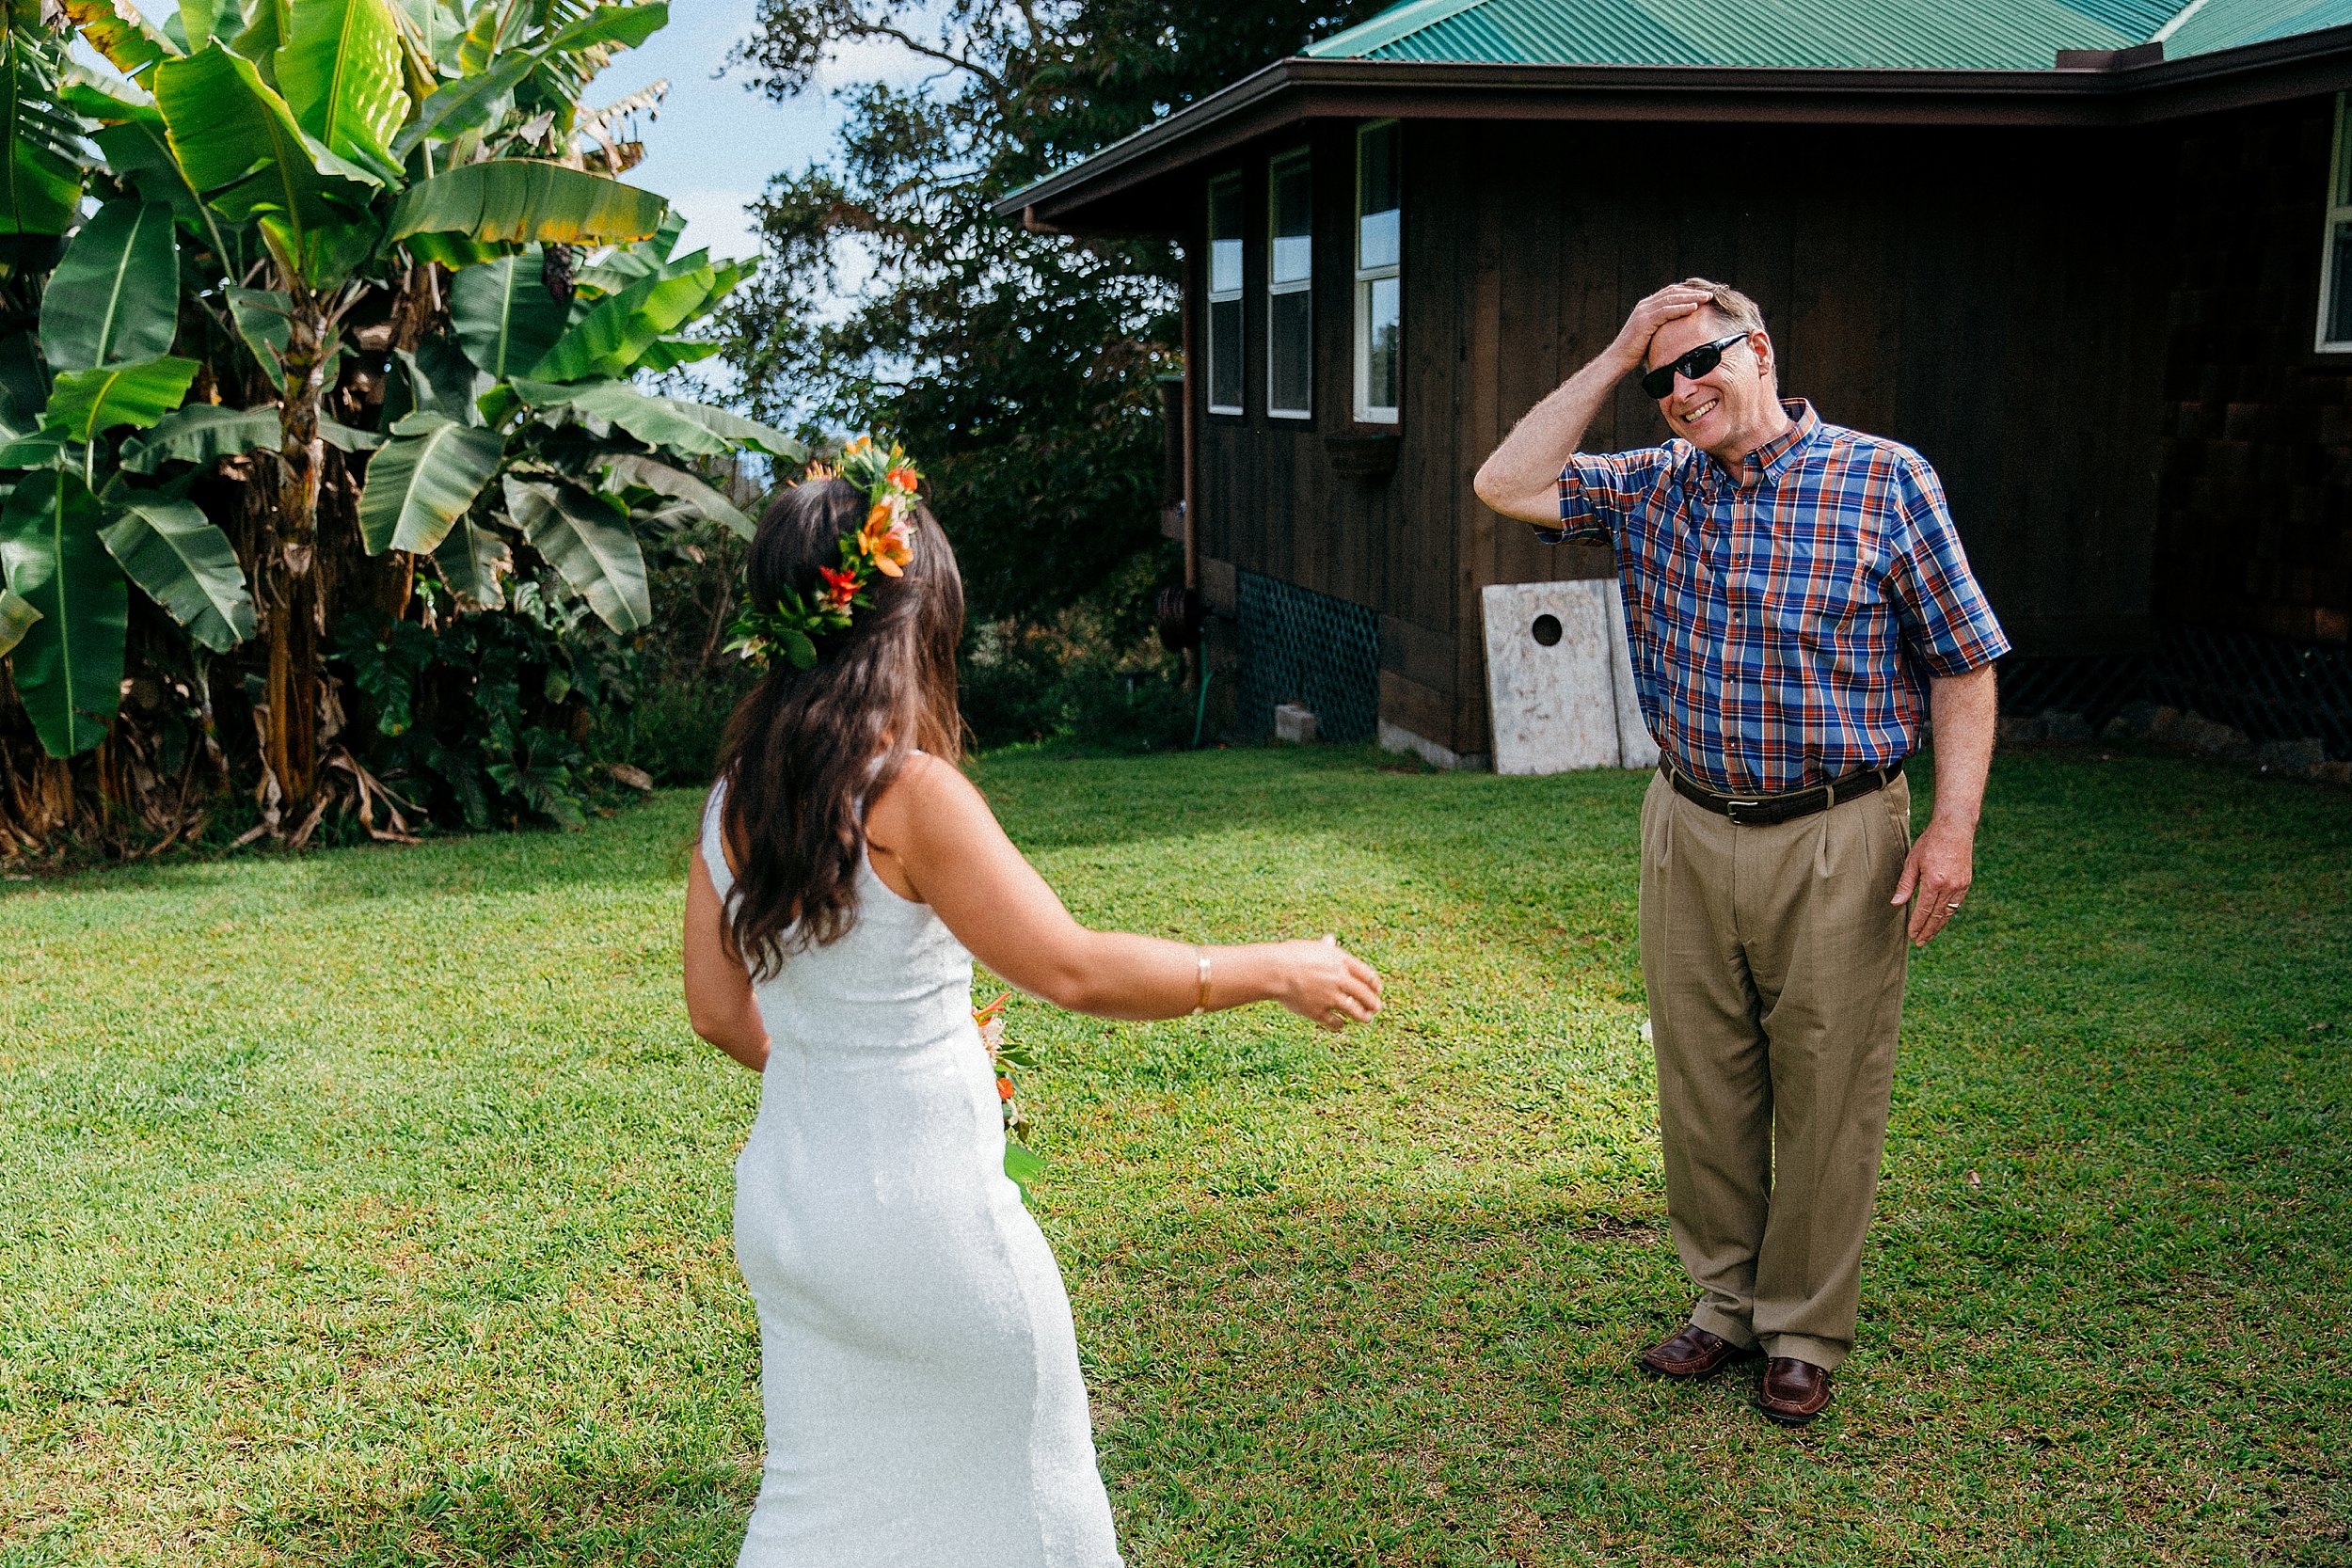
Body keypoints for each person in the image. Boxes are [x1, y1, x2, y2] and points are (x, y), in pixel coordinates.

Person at [681, 441, 1384, 1565]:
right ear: (910, 622)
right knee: (1030, 1510)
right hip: (922, 1223)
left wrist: (851, 1058)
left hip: (792, 1215)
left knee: (823, 1503)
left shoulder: (734, 793)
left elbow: (717, 1011)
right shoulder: (907, 792)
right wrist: (1271, 966)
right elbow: (1068, 966)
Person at [1472, 280, 2008, 1426]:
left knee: (1827, 1084)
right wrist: (1616, 349)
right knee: (1702, 1077)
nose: (1680, 390)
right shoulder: (1649, 488)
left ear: (1758, 350)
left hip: (1839, 827)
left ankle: (1802, 1326)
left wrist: (1952, 826)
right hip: (1688, 820)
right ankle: (1721, 1304)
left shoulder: (1886, 478)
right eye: (1659, 376)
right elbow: (1504, 482)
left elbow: (1963, 661)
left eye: (1699, 361)